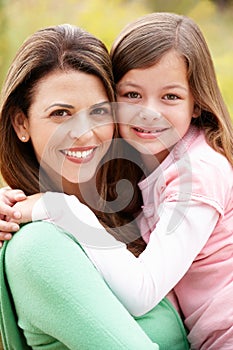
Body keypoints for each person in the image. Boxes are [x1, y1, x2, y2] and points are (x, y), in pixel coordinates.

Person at [3, 12, 232, 350]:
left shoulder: (152, 185)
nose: (83, 133)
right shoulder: (41, 243)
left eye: (98, 111)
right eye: (61, 113)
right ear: (21, 124)